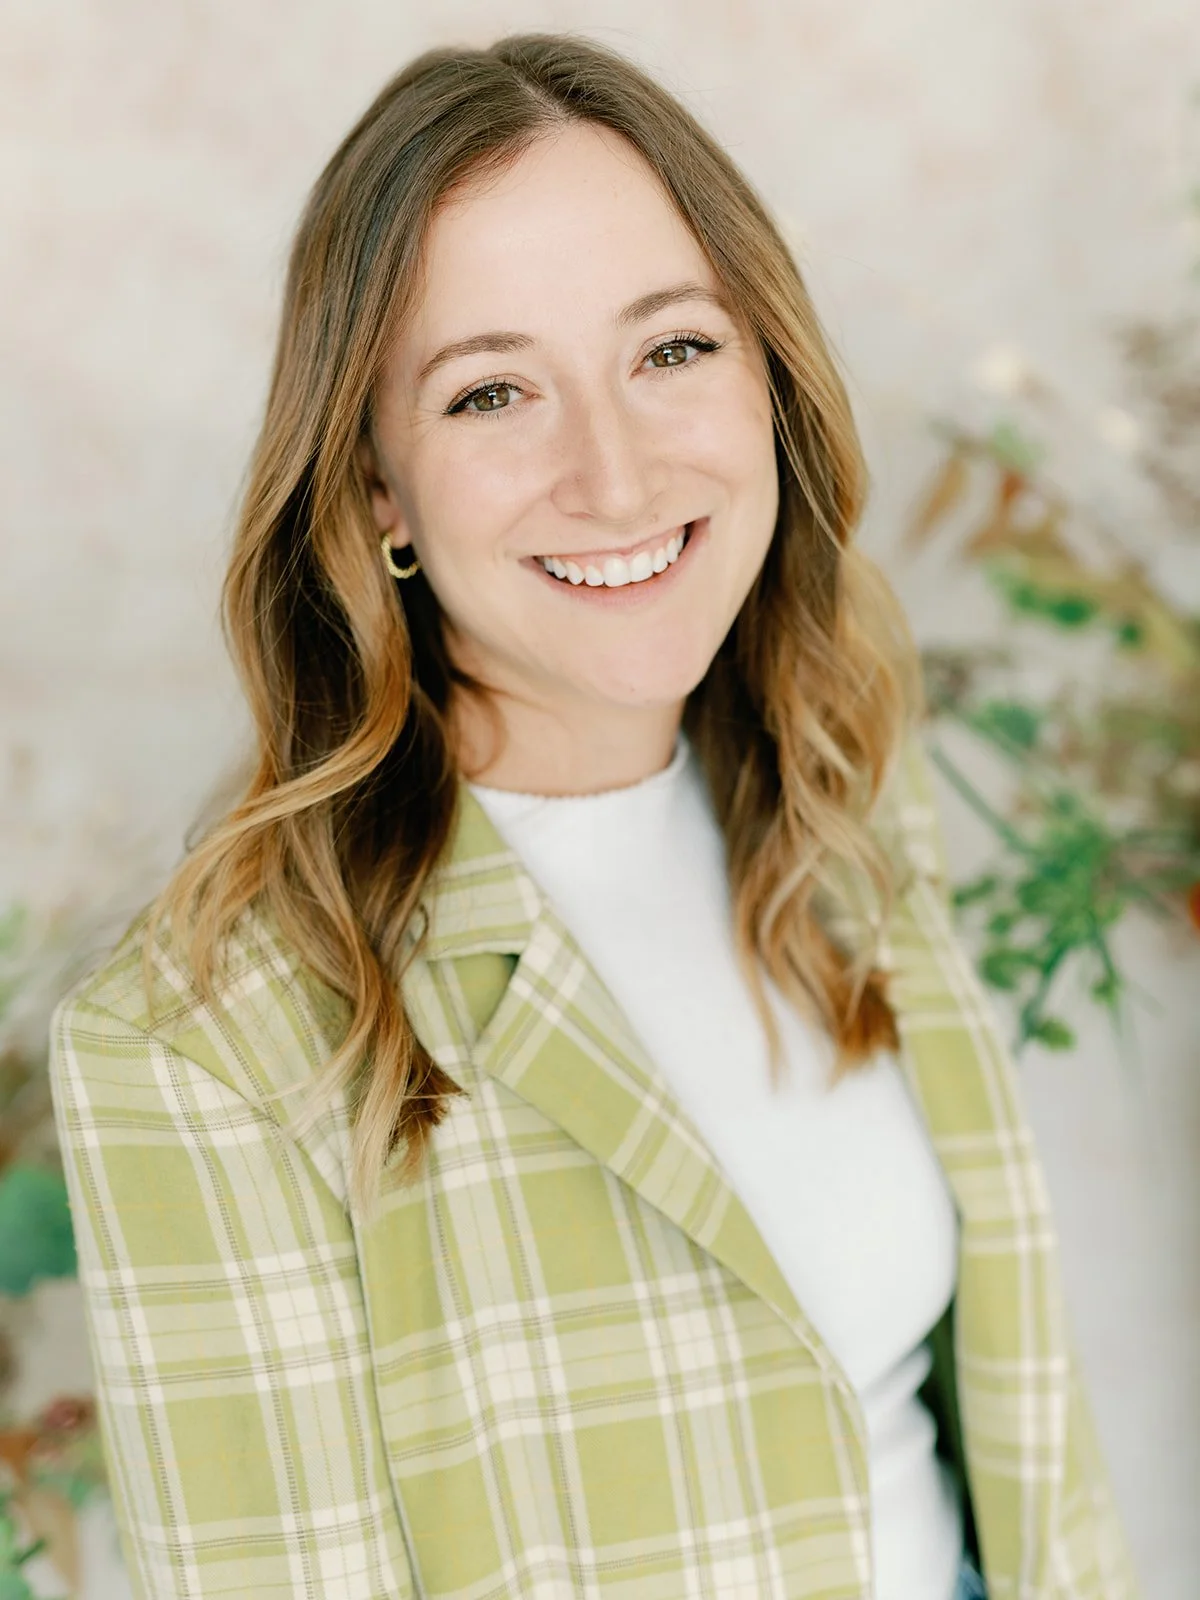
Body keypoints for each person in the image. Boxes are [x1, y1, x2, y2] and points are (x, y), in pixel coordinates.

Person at [47, 31, 1140, 1600]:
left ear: (770, 373)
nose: (617, 474)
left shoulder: (848, 802)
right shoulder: (207, 1043)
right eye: (494, 392)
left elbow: (1018, 1475)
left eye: (673, 350)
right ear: (375, 487)